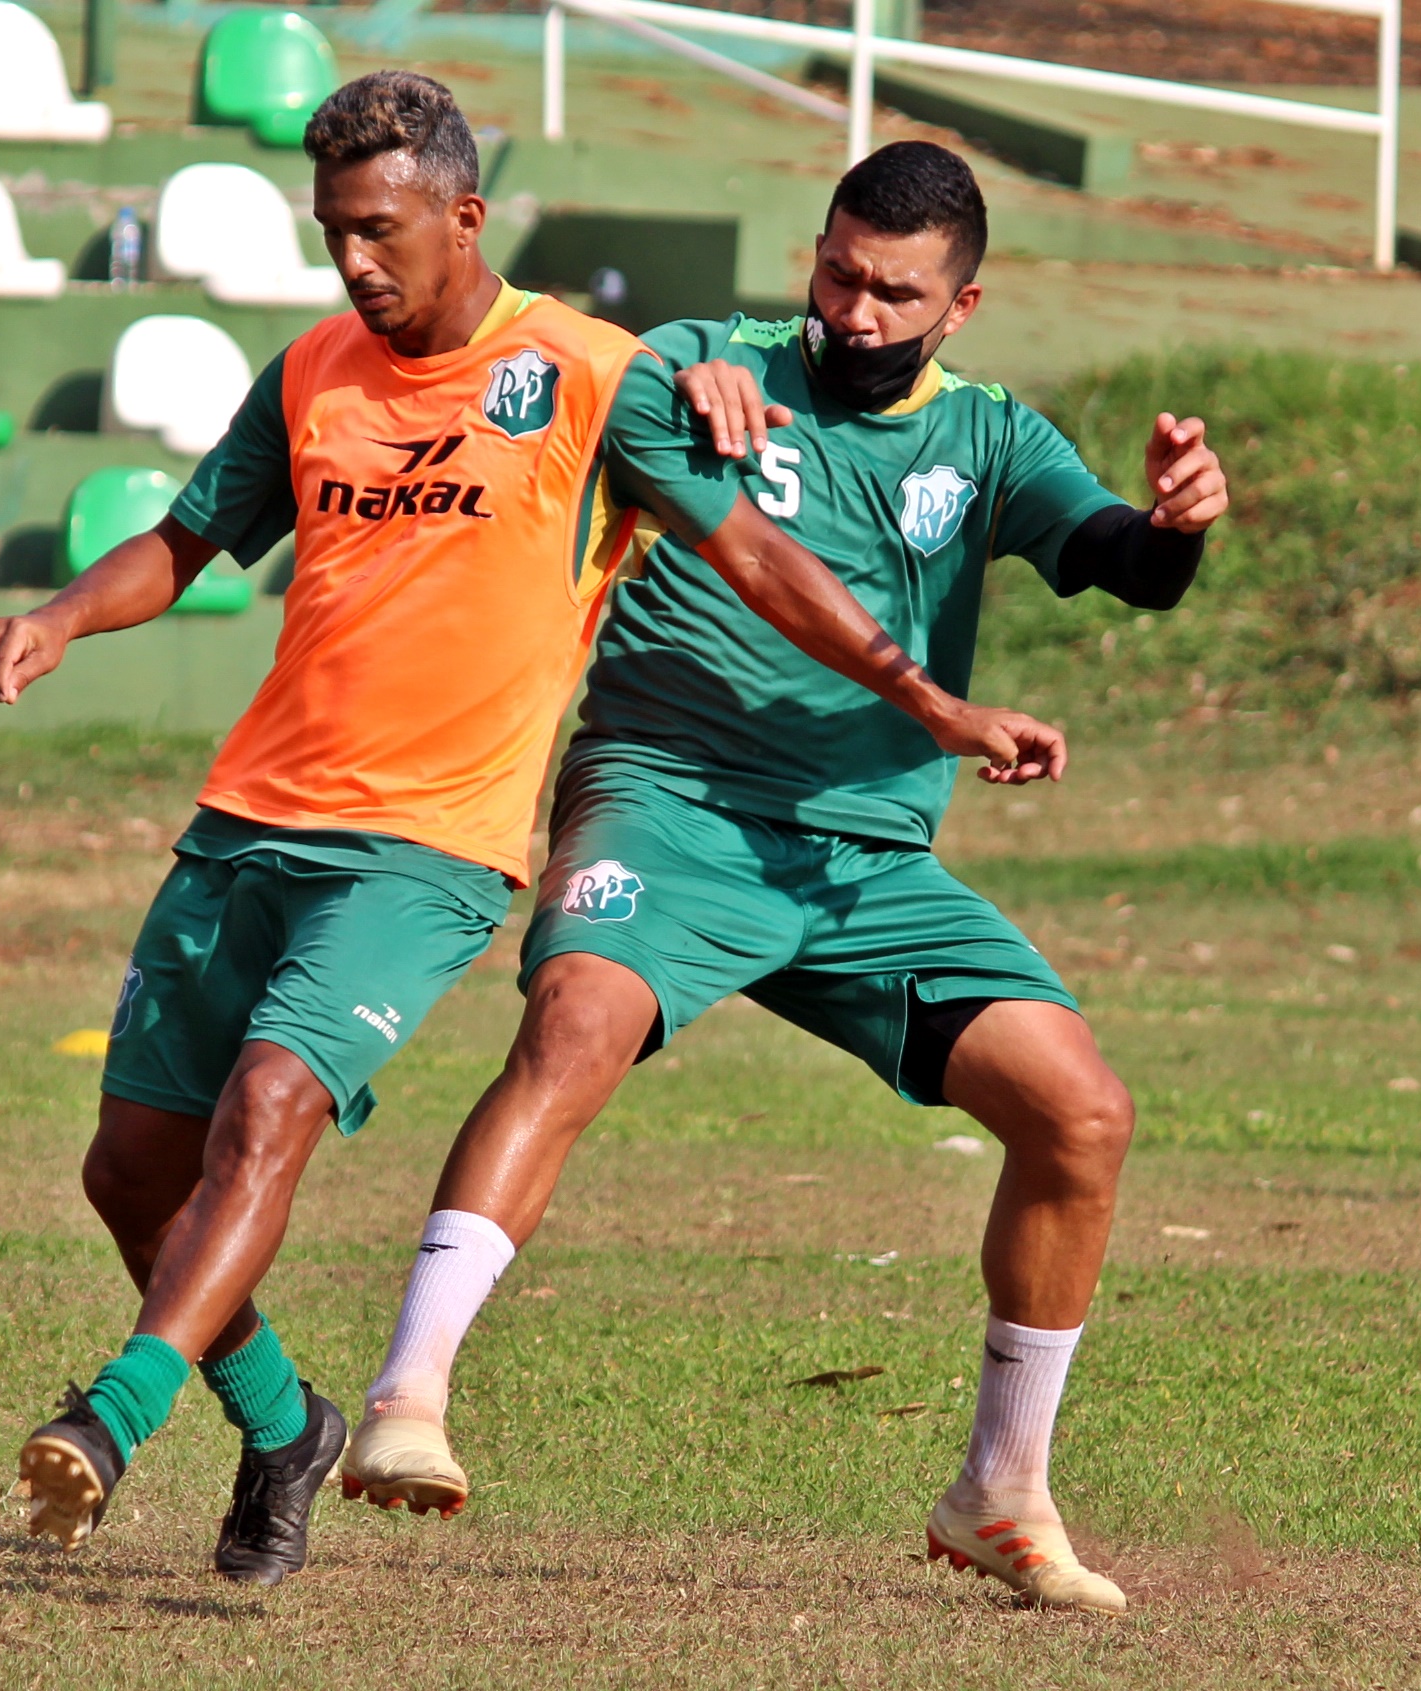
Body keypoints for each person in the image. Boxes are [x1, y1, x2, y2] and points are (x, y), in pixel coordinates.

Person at [0, 85, 1067, 1588]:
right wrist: (59, 616)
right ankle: (285, 1426)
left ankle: (117, 1413)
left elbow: (761, 560)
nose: (354, 260)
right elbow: (184, 541)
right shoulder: (312, 371)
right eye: (334, 231)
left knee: (273, 1104)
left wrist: (929, 703)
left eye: (379, 229)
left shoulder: (591, 376)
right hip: (250, 818)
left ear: (463, 217)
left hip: (426, 844)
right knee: (131, 1176)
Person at [339, 140, 1230, 1616]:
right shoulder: (704, 365)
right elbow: (622, 437)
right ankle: (408, 1398)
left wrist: (1179, 524)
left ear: (962, 306)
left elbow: (1119, 562)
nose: (854, 313)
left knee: (1080, 1113)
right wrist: (679, 380)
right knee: (574, 1026)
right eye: (836, 274)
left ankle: (1001, 1491)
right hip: (668, 804)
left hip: (862, 855)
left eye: (895, 294)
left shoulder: (991, 439)